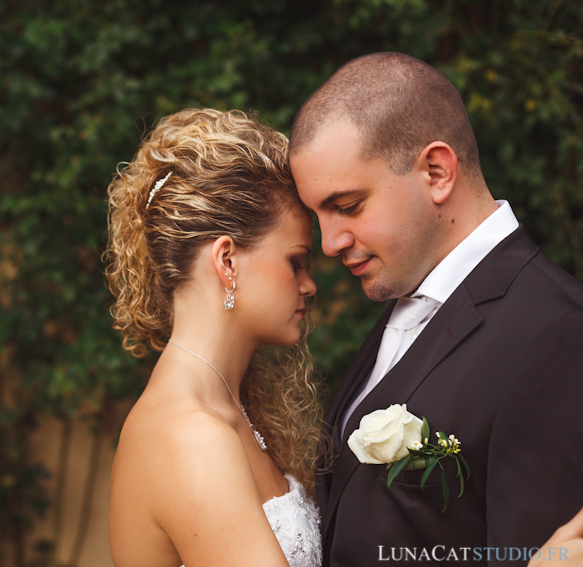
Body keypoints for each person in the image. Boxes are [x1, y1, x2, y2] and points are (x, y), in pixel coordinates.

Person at [288, 52, 583, 566]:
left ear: (437, 171)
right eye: (317, 216)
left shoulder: (557, 333)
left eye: (348, 205)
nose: (330, 243)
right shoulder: (404, 297)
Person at [105, 108, 323, 567]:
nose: (309, 285)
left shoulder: (235, 409)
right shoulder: (188, 436)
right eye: (296, 261)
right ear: (227, 261)